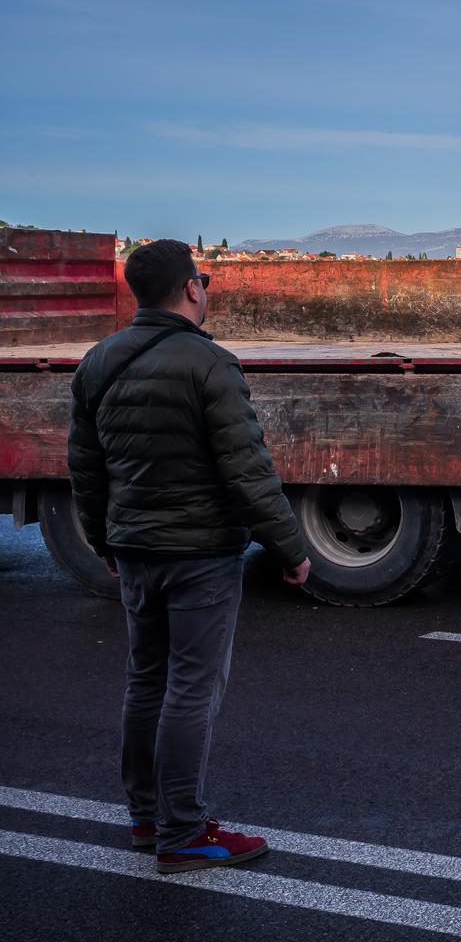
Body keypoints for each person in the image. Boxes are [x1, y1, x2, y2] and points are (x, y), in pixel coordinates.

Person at [66, 238, 311, 874]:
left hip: (135, 548)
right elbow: (247, 470)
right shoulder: (210, 365)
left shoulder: (97, 362)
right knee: (192, 690)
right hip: (199, 554)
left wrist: (102, 541)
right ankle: (183, 832)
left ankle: (146, 817)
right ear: (191, 290)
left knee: (146, 679)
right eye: (202, 281)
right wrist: (289, 547)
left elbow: (85, 472)